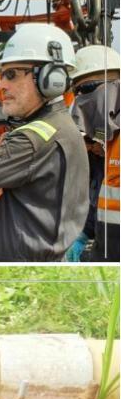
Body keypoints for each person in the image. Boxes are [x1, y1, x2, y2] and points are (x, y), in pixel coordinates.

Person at [0, 23, 89, 262]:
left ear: (49, 79)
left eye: (12, 74)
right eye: (2, 75)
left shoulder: (33, 140)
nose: (1, 85)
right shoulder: (61, 127)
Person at [69, 45, 119, 262]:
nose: (82, 99)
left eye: (88, 88)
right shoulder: (110, 144)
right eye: (77, 92)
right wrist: (86, 233)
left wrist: (91, 258)